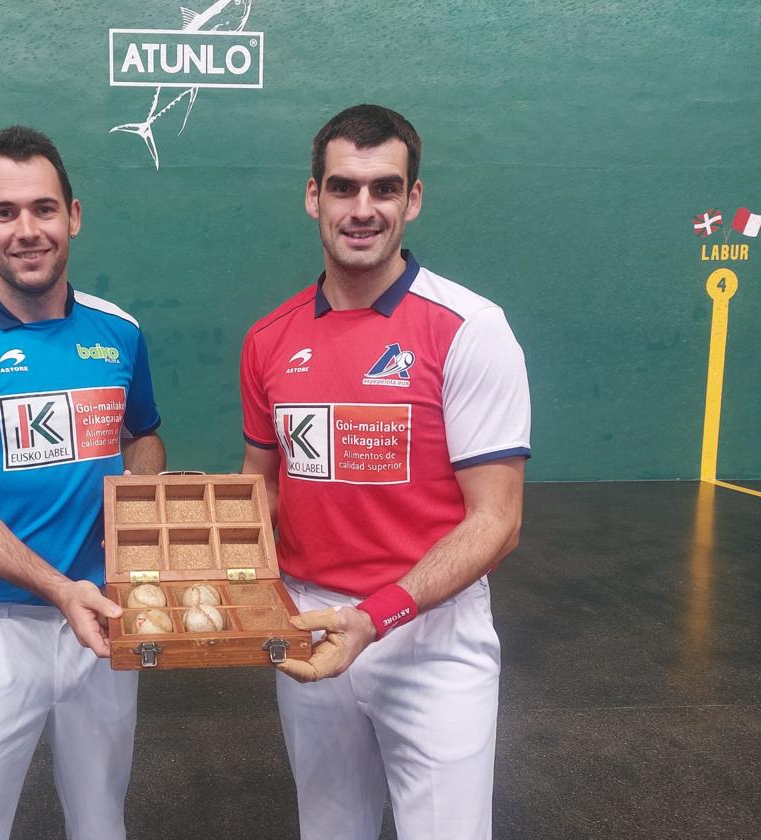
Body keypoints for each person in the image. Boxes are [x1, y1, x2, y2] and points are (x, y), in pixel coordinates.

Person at [239, 104, 531, 840]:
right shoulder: (268, 340)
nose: (362, 209)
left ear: (413, 199)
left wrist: (376, 616)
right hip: (309, 624)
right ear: (314, 197)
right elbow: (258, 491)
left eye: (384, 189)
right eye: (342, 187)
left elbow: (496, 522)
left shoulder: (471, 328)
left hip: (430, 634)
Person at [0, 125, 165, 840]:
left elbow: (144, 436)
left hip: (104, 623)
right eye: (6, 212)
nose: (28, 230)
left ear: (73, 216)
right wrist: (58, 588)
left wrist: (136, 509)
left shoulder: (119, 332)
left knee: (101, 823)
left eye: (44, 209)